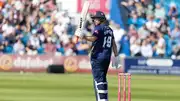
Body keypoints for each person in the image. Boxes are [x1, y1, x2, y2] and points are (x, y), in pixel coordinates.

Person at [74, 11, 121, 101]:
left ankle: (102, 99)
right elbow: (113, 44)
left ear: (100, 19)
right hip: (107, 57)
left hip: (97, 57)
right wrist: (116, 56)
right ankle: (104, 98)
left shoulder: (98, 28)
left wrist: (83, 36)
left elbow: (93, 38)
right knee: (102, 78)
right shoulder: (109, 29)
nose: (94, 20)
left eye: (96, 18)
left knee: (98, 80)